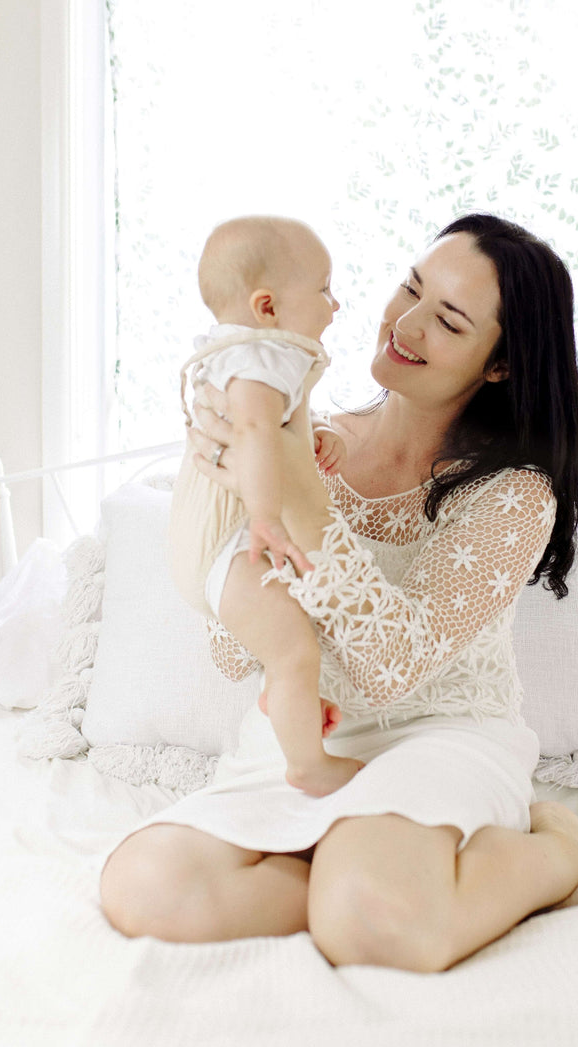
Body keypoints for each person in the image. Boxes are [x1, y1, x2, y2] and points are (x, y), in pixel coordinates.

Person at [101, 213, 578, 971]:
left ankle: (561, 849)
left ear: (498, 365)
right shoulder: (303, 438)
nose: (406, 323)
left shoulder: (514, 495)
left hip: (440, 735)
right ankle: (360, 866)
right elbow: (236, 653)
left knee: (373, 924)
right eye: (411, 287)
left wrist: (301, 505)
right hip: (310, 739)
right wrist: (228, 477)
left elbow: (392, 666)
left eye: (450, 320)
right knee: (146, 888)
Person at [170, 215, 364, 796]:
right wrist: (265, 517)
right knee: (296, 654)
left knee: (289, 652)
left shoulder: (239, 354)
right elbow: (254, 429)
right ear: (268, 307)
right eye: (325, 289)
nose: (336, 305)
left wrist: (312, 434)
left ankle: (287, 703)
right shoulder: (264, 356)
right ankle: (309, 765)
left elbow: (268, 425)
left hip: (206, 542)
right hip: (232, 542)